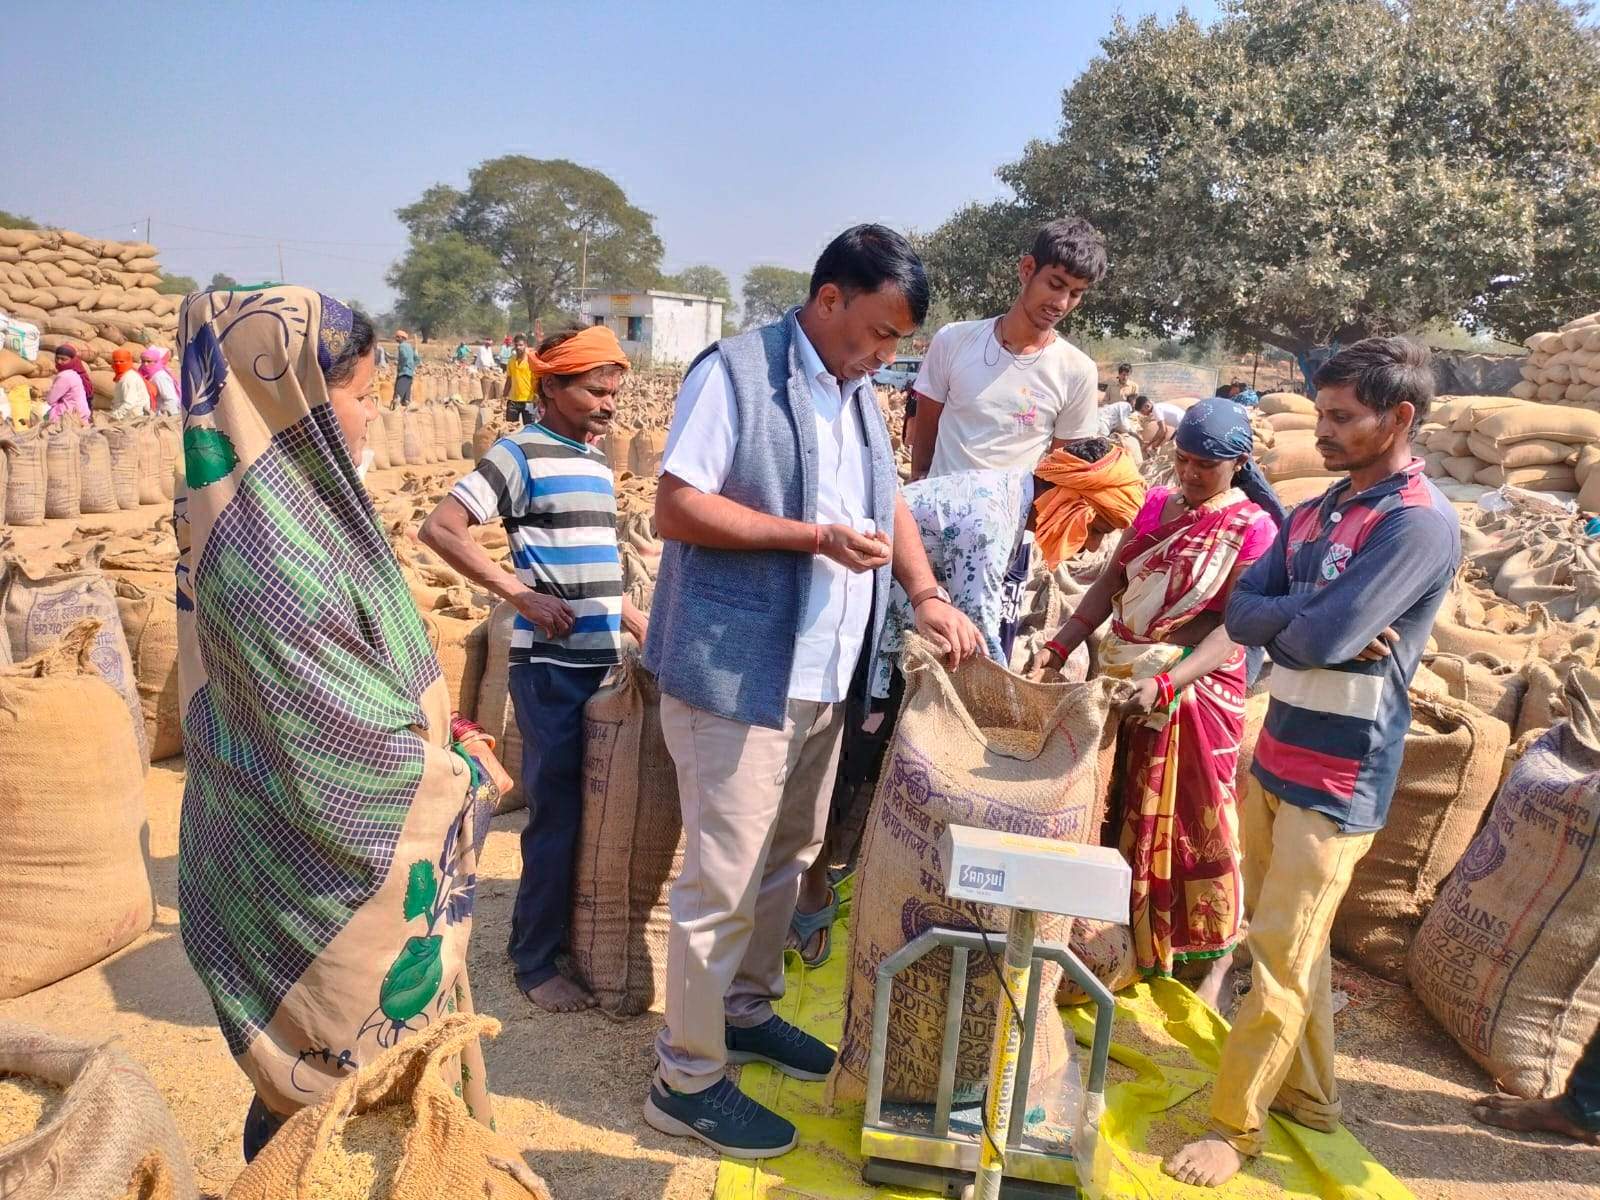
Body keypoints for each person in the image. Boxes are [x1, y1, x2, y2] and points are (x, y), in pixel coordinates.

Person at [640, 224, 980, 1158]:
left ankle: (743, 1012)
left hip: (825, 676)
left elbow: (889, 504)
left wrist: (924, 593)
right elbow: (676, 506)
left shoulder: (858, 394)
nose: (881, 354)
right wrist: (811, 538)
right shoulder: (737, 375)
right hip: (737, 673)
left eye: (896, 343)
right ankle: (686, 1077)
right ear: (829, 298)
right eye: (875, 331)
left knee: (787, 861)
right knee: (721, 879)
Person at [174, 288, 496, 1163]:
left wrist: (445, 727)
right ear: (298, 399)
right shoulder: (270, 551)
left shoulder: (274, 511)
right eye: (358, 396)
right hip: (309, 869)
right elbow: (338, 748)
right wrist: (459, 775)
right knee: (316, 1109)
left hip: (271, 839)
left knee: (322, 1111)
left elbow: (355, 679)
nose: (367, 420)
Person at [1164, 337, 1461, 1189]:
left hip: (1340, 774)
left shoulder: (1418, 524)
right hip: (1280, 748)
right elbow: (1246, 605)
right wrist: (1310, 616)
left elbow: (1313, 632)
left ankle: (1235, 1127)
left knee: (1280, 955)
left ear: (1398, 418)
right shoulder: (1323, 509)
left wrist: (1300, 620)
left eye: (1342, 417)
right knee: (1296, 945)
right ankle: (1314, 1099)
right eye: (1320, 414)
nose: (1323, 431)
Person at [419, 325, 647, 1014]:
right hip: (550, 670)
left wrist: (634, 619)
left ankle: (576, 939)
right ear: (550, 385)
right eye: (593, 390)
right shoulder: (520, 454)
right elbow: (439, 528)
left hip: (604, 662)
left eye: (614, 390)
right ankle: (533, 959)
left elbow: (597, 557)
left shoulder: (595, 460)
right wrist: (517, 593)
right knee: (557, 814)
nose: (608, 404)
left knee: (597, 813)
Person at [1036, 401, 1284, 1009]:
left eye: (1206, 465)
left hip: (1197, 689)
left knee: (1197, 813)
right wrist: (1061, 644)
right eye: (1183, 460)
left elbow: (1235, 626)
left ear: (1239, 464)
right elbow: (1111, 582)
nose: (1191, 474)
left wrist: (1171, 682)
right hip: (1123, 674)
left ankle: (1202, 950)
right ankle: (1113, 934)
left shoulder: (1252, 527)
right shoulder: (1154, 505)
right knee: (1113, 798)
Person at [909, 217, 1104, 484]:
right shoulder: (953, 340)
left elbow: (1061, 474)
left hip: (1014, 523)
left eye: (1075, 293)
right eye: (1055, 284)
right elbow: (922, 455)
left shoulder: (1077, 371)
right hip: (938, 518)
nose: (1061, 303)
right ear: (1027, 269)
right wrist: (919, 492)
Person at [43, 344, 91, 423]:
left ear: (72, 360)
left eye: (63, 359)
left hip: (70, 415)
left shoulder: (65, 375)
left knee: (40, 410)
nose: (59, 361)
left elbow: (50, 400)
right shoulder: (74, 373)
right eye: (57, 358)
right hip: (82, 413)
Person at [110, 347, 155, 420]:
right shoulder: (124, 376)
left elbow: (129, 403)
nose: (118, 364)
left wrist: (115, 416)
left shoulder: (128, 378)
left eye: (122, 361)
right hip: (129, 414)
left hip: (133, 417)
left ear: (128, 361)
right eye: (115, 361)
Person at [503, 334, 537, 425]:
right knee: (510, 427)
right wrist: (504, 396)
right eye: (516, 345)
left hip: (529, 400)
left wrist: (537, 396)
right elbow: (509, 380)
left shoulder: (531, 361)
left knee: (530, 427)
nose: (518, 347)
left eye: (521, 345)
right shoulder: (511, 361)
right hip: (513, 401)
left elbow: (536, 380)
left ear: (525, 345)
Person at [140, 346, 181, 415]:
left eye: (149, 361)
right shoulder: (145, 374)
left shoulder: (159, 376)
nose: (145, 364)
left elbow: (170, 398)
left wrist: (171, 415)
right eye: (143, 361)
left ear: (156, 362)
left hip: (164, 412)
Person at [394, 329, 419, 407]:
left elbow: (404, 357)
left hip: (403, 372)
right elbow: (417, 359)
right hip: (410, 373)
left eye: (398, 337)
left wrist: (401, 365)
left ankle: (396, 407)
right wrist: (412, 366)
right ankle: (406, 405)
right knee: (406, 395)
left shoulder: (401, 346)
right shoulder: (410, 347)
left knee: (399, 392)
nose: (396, 339)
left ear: (402, 338)